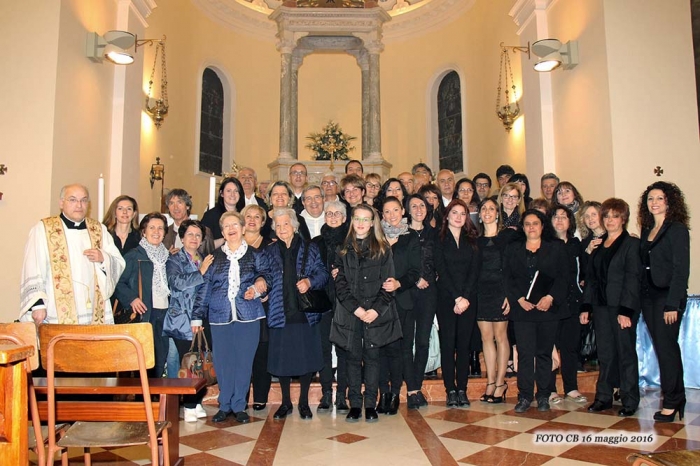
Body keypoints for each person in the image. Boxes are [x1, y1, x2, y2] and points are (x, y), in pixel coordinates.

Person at [191, 211, 280, 424]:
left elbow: (267, 276)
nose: (231, 229)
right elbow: (204, 288)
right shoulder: (213, 257)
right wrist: (196, 317)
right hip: (219, 316)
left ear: (242, 228)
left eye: (235, 225)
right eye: (226, 226)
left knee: (244, 362)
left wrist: (258, 288)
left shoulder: (256, 254)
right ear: (222, 232)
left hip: (249, 315)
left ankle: (239, 405)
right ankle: (225, 405)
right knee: (223, 363)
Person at [331, 204, 401, 423]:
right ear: (352, 221)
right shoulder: (342, 250)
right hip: (351, 312)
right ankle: (355, 404)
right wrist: (358, 310)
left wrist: (375, 311)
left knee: (372, 358)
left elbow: (389, 285)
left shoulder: (383, 249)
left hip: (374, 313)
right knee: (352, 359)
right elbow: (340, 285)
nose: (361, 224)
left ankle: (370, 404)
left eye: (365, 220)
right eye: (357, 219)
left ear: (372, 224)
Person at [20, 184, 125, 325]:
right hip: (54, 309)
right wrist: (38, 305)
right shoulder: (44, 229)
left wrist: (103, 258)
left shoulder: (98, 230)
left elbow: (118, 262)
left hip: (93, 306)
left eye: (83, 200)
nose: (79, 205)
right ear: (61, 203)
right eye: (73, 200)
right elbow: (32, 267)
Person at [267, 208, 329, 420]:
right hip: (280, 312)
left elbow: (323, 274)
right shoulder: (269, 251)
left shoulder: (309, 248)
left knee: (306, 359)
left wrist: (310, 281)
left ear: (294, 226)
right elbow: (263, 276)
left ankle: (303, 402)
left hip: (304, 314)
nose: (282, 228)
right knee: (282, 361)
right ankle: (285, 403)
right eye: (278, 225)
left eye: (286, 224)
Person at [581, 198, 641, 417]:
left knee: (625, 354)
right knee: (605, 354)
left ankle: (630, 399)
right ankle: (604, 397)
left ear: (623, 218)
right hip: (601, 308)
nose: (610, 220)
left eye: (615, 216)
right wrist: (586, 306)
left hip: (621, 308)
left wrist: (626, 311)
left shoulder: (632, 244)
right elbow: (591, 279)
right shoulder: (598, 245)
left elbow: (633, 280)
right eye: (606, 216)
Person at [504, 209, 568, 413]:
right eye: (527, 224)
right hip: (523, 310)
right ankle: (524, 396)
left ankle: (543, 395)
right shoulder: (513, 248)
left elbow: (564, 276)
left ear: (542, 226)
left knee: (543, 354)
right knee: (524, 354)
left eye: (535, 223)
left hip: (547, 309)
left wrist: (550, 298)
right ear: (523, 228)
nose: (531, 227)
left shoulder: (556, 247)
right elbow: (507, 277)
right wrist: (519, 299)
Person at [637, 181, 690, 422]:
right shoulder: (647, 230)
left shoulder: (677, 229)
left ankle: (673, 399)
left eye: (659, 198)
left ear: (669, 201)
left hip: (668, 297)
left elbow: (681, 270)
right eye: (650, 199)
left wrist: (672, 304)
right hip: (649, 297)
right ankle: (674, 396)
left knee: (667, 349)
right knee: (662, 349)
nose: (654, 203)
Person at [164, 219, 214, 422]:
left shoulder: (205, 258)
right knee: (187, 362)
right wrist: (200, 272)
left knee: (201, 361)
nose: (194, 238)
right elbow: (176, 284)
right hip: (181, 318)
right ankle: (188, 404)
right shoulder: (174, 259)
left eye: (198, 235)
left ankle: (197, 401)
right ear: (182, 238)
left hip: (202, 317)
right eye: (190, 234)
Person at [434, 199, 479, 407]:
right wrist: (456, 297)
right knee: (448, 344)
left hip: (468, 300)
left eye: (463, 213)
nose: (459, 217)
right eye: (455, 213)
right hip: (447, 299)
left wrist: (465, 297)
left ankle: (462, 388)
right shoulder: (439, 238)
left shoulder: (472, 239)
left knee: (464, 346)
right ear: (447, 215)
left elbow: (474, 271)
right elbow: (441, 270)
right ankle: (450, 389)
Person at [114, 212, 171, 377]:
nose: (156, 231)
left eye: (160, 228)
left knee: (160, 359)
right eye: (152, 227)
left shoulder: (168, 257)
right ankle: (141, 399)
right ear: (144, 232)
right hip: (144, 313)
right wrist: (132, 298)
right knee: (144, 362)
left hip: (164, 313)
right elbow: (118, 283)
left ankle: (154, 399)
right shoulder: (134, 256)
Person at [378, 196, 420, 415]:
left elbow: (416, 271)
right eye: (387, 211)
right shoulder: (376, 237)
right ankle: (383, 393)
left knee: (400, 349)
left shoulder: (411, 237)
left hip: (403, 300)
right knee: (382, 349)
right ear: (382, 215)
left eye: (395, 210)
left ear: (403, 211)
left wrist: (399, 283)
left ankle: (395, 393)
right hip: (380, 302)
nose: (392, 215)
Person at [548, 206, 587, 404]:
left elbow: (582, 274)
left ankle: (571, 387)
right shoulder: (546, 244)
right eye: (556, 217)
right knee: (550, 346)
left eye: (564, 217)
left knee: (570, 347)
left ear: (570, 222)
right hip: (552, 304)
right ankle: (551, 389)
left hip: (573, 303)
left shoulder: (575, 244)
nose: (560, 220)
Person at [475, 198, 513, 404]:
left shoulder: (507, 237)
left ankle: (501, 382)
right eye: (484, 209)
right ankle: (490, 381)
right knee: (486, 337)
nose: (487, 212)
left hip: (501, 291)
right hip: (481, 292)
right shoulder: (475, 240)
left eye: (491, 209)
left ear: (498, 214)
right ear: (479, 215)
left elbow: (512, 268)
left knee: (501, 336)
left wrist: (509, 294)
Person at [405, 194, 438, 409]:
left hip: (429, 293)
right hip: (407, 292)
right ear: (407, 209)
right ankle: (411, 389)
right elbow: (397, 263)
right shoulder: (400, 233)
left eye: (422, 205)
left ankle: (417, 384)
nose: (419, 209)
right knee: (407, 342)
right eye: (414, 205)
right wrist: (416, 279)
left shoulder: (435, 234)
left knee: (424, 341)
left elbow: (441, 261)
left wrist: (435, 275)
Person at [241, 204, 275, 411]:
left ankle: (261, 396)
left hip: (264, 305)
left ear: (263, 222)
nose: (252, 220)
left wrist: (267, 291)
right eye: (248, 216)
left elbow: (277, 274)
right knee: (243, 352)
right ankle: (241, 396)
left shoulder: (271, 246)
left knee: (262, 350)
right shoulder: (234, 244)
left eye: (257, 217)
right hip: (240, 306)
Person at [318, 200, 350, 413]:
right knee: (323, 349)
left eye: (337, 213)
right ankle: (326, 392)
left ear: (345, 217)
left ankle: (342, 394)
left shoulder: (352, 241)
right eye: (328, 213)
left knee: (344, 349)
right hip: (322, 301)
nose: (332, 216)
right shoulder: (316, 242)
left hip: (345, 302)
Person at [164, 189, 215, 255]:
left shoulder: (204, 232)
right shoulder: (165, 234)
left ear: (187, 206)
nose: (175, 207)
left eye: (179, 202)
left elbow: (211, 259)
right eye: (171, 203)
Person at [201, 177, 246, 248]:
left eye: (236, 191)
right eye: (228, 191)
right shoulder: (210, 215)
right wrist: (226, 239)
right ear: (222, 193)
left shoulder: (245, 214)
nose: (232, 194)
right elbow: (203, 245)